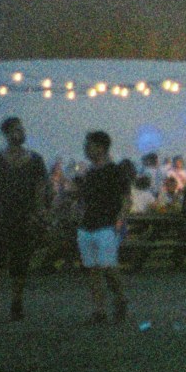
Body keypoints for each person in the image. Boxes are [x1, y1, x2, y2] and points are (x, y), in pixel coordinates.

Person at [0, 117, 50, 322]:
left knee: (20, 264)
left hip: (24, 218)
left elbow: (40, 189)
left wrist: (40, 212)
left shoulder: (35, 160)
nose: (19, 133)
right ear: (7, 134)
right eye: (15, 130)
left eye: (21, 129)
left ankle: (16, 303)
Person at [76, 130, 135, 324]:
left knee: (107, 266)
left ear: (100, 148)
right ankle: (99, 310)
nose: (86, 149)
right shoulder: (91, 172)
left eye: (89, 145)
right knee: (93, 269)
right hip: (89, 224)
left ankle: (120, 299)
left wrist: (119, 222)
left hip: (107, 225)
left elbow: (126, 199)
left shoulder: (115, 171)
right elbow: (85, 199)